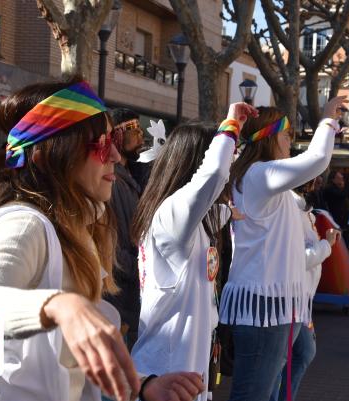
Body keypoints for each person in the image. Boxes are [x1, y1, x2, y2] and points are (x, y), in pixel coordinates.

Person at [0, 79, 201, 401]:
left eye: (113, 139)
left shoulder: (70, 227)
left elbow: (63, 363)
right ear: (47, 156)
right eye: (98, 143)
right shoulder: (23, 223)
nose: (114, 154)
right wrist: (59, 306)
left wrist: (141, 384)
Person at [220, 96, 347, 401]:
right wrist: (328, 119)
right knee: (253, 394)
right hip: (265, 305)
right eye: (287, 134)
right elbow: (316, 160)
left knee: (301, 352)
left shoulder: (258, 176)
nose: (291, 141)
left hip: (276, 303)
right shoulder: (259, 174)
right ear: (269, 137)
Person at [130, 102, 257, 401]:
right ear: (194, 165)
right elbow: (212, 178)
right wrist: (229, 128)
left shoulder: (193, 222)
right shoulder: (171, 217)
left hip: (183, 377)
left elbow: (215, 201)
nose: (229, 175)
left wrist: (229, 212)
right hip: (165, 376)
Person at [270, 185, 339, 401]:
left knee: (303, 353)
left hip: (302, 301)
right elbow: (298, 259)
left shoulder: (304, 208)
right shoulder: (289, 205)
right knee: (278, 362)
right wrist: (326, 245)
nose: (317, 181)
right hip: (288, 297)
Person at [103, 108, 146, 350]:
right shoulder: (112, 179)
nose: (140, 136)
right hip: (117, 290)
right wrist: (137, 267)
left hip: (128, 289)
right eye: (134, 130)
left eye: (141, 130)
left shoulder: (131, 175)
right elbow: (112, 240)